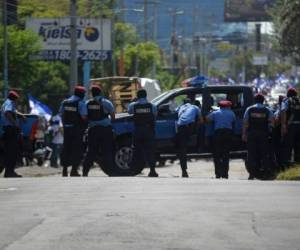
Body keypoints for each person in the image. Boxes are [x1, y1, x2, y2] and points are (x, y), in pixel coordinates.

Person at [82, 85, 115, 176]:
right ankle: (111, 171)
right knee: (107, 151)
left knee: (91, 151)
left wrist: (91, 121)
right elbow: (113, 116)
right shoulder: (107, 102)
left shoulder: (87, 103)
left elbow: (84, 117)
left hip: (93, 130)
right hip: (106, 130)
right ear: (100, 93)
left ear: (92, 94)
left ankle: (85, 172)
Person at [242, 93, 274, 180]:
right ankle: (266, 173)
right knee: (264, 153)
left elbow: (245, 122)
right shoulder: (268, 110)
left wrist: (244, 134)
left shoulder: (249, 109)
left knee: (251, 154)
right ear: (263, 101)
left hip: (252, 134)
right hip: (263, 134)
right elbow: (271, 123)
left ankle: (252, 174)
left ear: (254, 100)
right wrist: (269, 132)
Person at [128, 89, 158, 177]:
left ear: (137, 96)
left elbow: (129, 112)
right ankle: (152, 171)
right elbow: (155, 116)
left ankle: (132, 171)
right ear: (146, 96)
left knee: (136, 151)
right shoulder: (152, 106)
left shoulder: (133, 105)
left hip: (138, 130)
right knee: (150, 151)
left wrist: (134, 102)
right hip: (149, 130)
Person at [59, 85, 87, 177]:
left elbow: (61, 114)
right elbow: (83, 117)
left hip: (67, 129)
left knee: (66, 148)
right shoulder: (80, 103)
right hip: (77, 130)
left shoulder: (65, 102)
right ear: (81, 94)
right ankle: (74, 170)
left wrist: (64, 125)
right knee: (77, 149)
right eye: (83, 93)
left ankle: (64, 170)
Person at [206, 100, 236, 179]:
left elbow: (207, 119)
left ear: (219, 106)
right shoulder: (231, 113)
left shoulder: (215, 113)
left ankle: (218, 174)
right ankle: (225, 174)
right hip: (228, 133)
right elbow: (234, 121)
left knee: (217, 155)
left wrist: (211, 112)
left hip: (218, 134)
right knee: (226, 154)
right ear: (228, 106)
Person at [0, 91, 26, 177]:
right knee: (12, 151)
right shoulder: (10, 103)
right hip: (10, 129)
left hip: (7, 130)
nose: (16, 102)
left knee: (9, 151)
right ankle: (9, 172)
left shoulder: (6, 103)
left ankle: (9, 171)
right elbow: (7, 113)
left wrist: (21, 115)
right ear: (14, 99)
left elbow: (13, 111)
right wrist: (15, 124)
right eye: (16, 100)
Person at [176, 98, 202, 177]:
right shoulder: (195, 107)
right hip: (190, 128)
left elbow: (175, 112)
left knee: (182, 150)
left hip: (180, 128)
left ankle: (184, 170)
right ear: (191, 102)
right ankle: (200, 146)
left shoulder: (180, 107)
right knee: (202, 126)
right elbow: (201, 120)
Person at [281, 88, 300, 165]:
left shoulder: (286, 101)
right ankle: (297, 165)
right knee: (298, 147)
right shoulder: (299, 101)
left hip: (291, 126)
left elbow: (283, 111)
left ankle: (287, 165)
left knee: (288, 146)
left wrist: (283, 126)